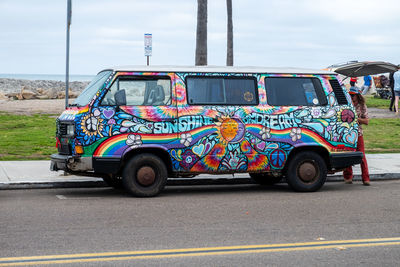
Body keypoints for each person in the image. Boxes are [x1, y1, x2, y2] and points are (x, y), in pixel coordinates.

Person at [343, 86, 370, 186]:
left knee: (361, 155)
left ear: (358, 95)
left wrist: (355, 119)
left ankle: (366, 178)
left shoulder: (362, 106)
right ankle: (348, 176)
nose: (351, 96)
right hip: (346, 132)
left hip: (358, 133)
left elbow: (366, 121)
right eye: (349, 94)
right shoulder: (346, 104)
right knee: (346, 154)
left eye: (353, 95)